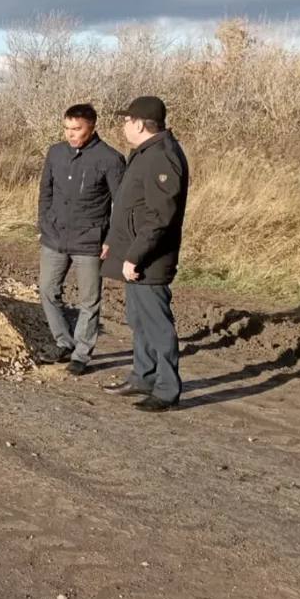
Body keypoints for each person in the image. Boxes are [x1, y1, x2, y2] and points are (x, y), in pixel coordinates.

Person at [100, 95, 189, 411]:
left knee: (157, 324)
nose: (123, 125)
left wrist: (135, 256)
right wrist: (114, 241)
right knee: (138, 319)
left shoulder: (162, 157)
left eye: (126, 120)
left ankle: (166, 389)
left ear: (139, 123)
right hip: (135, 253)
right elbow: (130, 205)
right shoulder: (145, 153)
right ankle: (143, 375)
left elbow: (160, 217)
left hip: (150, 259)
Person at [37, 103, 126, 376]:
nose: (70, 134)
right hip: (54, 237)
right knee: (47, 291)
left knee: (89, 300)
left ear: (92, 126)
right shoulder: (56, 152)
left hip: (90, 240)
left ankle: (82, 354)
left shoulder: (110, 159)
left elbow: (120, 205)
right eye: (67, 128)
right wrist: (44, 223)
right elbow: (46, 192)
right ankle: (63, 342)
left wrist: (111, 240)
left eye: (77, 129)